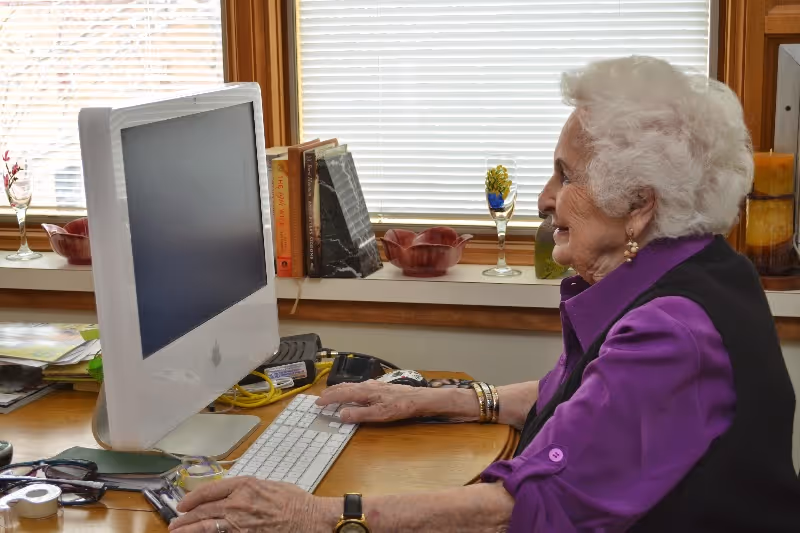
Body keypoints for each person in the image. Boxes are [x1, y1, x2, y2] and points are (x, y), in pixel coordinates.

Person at [169, 56, 800, 533]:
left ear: (638, 206)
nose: (546, 199)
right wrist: (428, 400)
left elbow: (521, 510)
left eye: (566, 175)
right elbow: (582, 398)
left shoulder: (670, 334)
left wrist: (318, 513)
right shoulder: (702, 272)